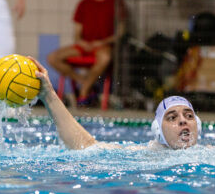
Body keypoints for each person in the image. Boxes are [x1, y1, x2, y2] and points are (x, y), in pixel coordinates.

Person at [30, 57, 200, 150]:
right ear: (158, 131)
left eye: (189, 116)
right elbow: (86, 147)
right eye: (172, 117)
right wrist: (48, 95)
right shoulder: (147, 155)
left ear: (197, 126)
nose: (183, 120)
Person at [47, 0, 124, 106]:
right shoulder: (84, 3)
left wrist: (103, 42)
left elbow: (121, 32)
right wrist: (82, 43)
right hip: (84, 45)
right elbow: (77, 33)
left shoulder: (116, 3)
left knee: (106, 57)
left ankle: (84, 91)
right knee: (52, 58)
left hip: (103, 46)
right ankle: (83, 81)